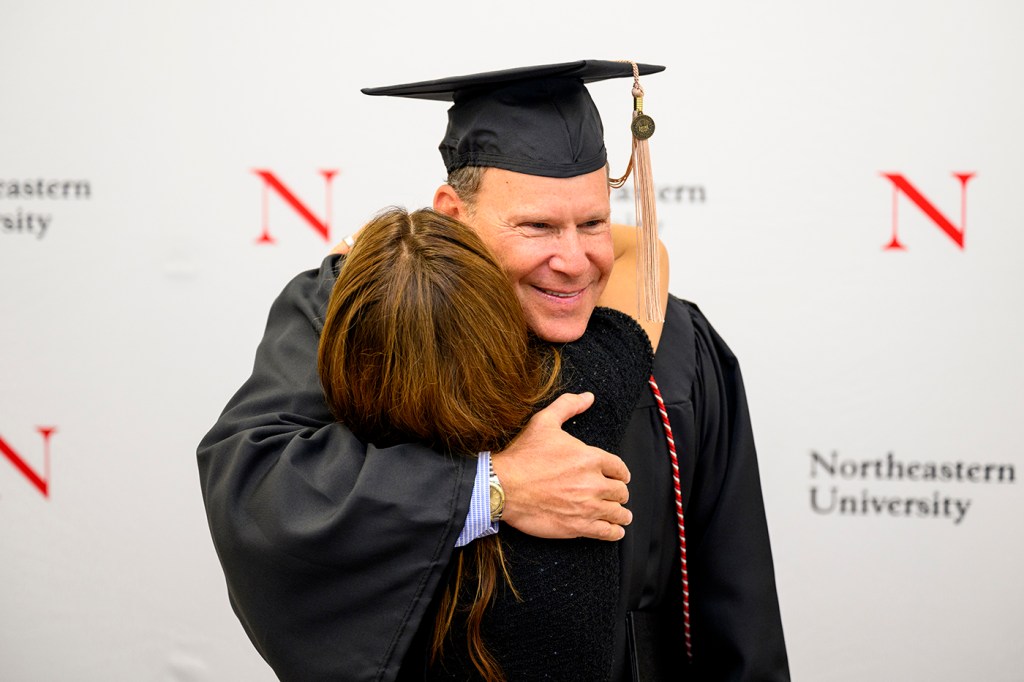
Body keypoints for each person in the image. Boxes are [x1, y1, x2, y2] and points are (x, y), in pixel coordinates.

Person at [198, 60, 790, 681]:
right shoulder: (356, 318)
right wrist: (490, 487)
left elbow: (734, 597)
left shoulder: (678, 343)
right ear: (452, 214)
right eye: (537, 226)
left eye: (592, 223)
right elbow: (262, 493)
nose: (574, 261)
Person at [317, 206, 653, 681]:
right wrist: (483, 228)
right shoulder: (575, 406)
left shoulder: (332, 506)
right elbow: (641, 252)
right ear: (496, 319)